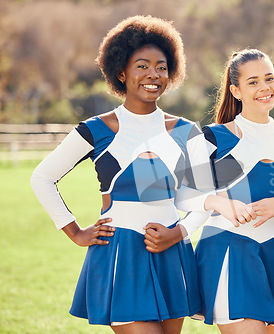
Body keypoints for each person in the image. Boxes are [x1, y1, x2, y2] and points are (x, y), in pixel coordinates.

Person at [30, 15, 213, 334]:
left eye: (161, 66)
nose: (153, 74)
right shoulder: (96, 129)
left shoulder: (186, 132)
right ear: (121, 72)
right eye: (142, 65)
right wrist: (75, 232)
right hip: (120, 254)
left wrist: (178, 233)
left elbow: (202, 199)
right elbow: (42, 178)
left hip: (170, 252)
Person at [167, 48, 274, 334]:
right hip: (229, 250)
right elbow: (183, 194)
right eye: (253, 82)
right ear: (236, 91)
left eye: (269, 78)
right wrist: (218, 202)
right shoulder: (217, 137)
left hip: (273, 251)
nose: (264, 88)